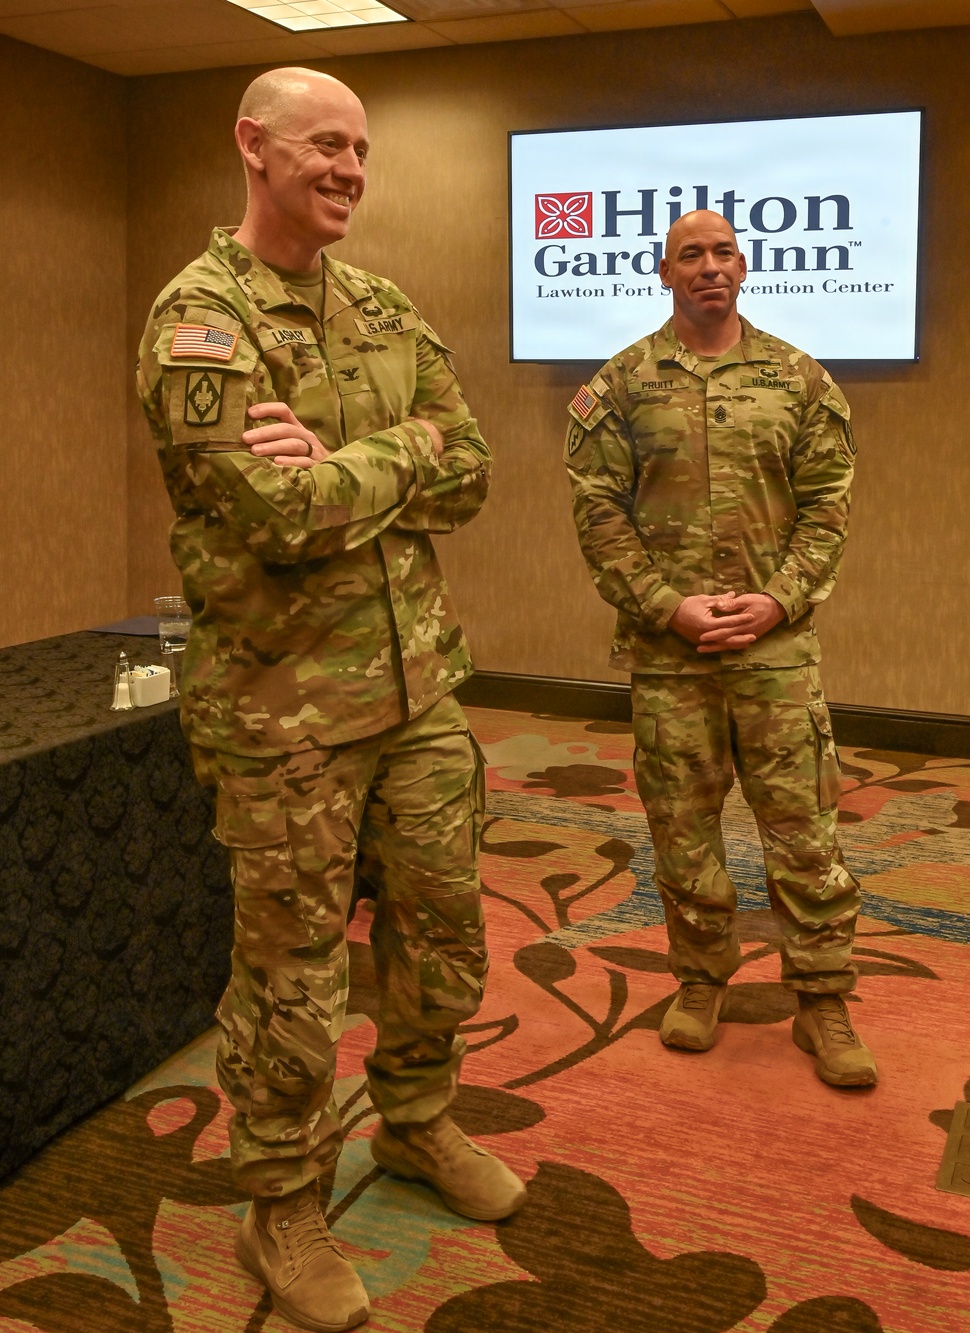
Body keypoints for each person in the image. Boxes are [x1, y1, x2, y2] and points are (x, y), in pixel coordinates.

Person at [137, 67, 524, 1333]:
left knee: (444, 932)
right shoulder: (200, 320)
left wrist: (370, 454)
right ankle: (282, 1201)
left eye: (361, 148)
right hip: (282, 712)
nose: (351, 168)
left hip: (417, 689)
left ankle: (415, 1122)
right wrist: (392, 460)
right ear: (254, 147)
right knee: (295, 979)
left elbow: (467, 466)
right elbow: (274, 513)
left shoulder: (381, 305)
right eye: (325, 145)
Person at [564, 209, 877, 1093]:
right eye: (691, 254)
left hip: (776, 653)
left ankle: (822, 997)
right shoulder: (621, 385)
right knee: (683, 829)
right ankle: (699, 980)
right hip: (672, 658)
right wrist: (668, 607)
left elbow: (829, 507)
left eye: (725, 252)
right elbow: (597, 512)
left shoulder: (800, 380)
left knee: (805, 830)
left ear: (745, 268)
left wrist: (778, 599)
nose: (711, 266)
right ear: (663, 272)